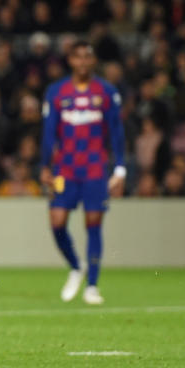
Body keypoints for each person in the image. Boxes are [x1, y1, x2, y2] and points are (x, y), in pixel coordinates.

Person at [39, 41, 125, 304]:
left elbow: (117, 132)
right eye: (79, 57)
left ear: (94, 61)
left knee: (93, 224)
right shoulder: (56, 92)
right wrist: (44, 167)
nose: (84, 62)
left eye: (88, 57)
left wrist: (120, 169)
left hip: (95, 168)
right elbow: (49, 132)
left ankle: (92, 286)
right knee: (56, 222)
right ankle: (77, 266)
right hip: (64, 168)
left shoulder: (107, 92)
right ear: (71, 61)